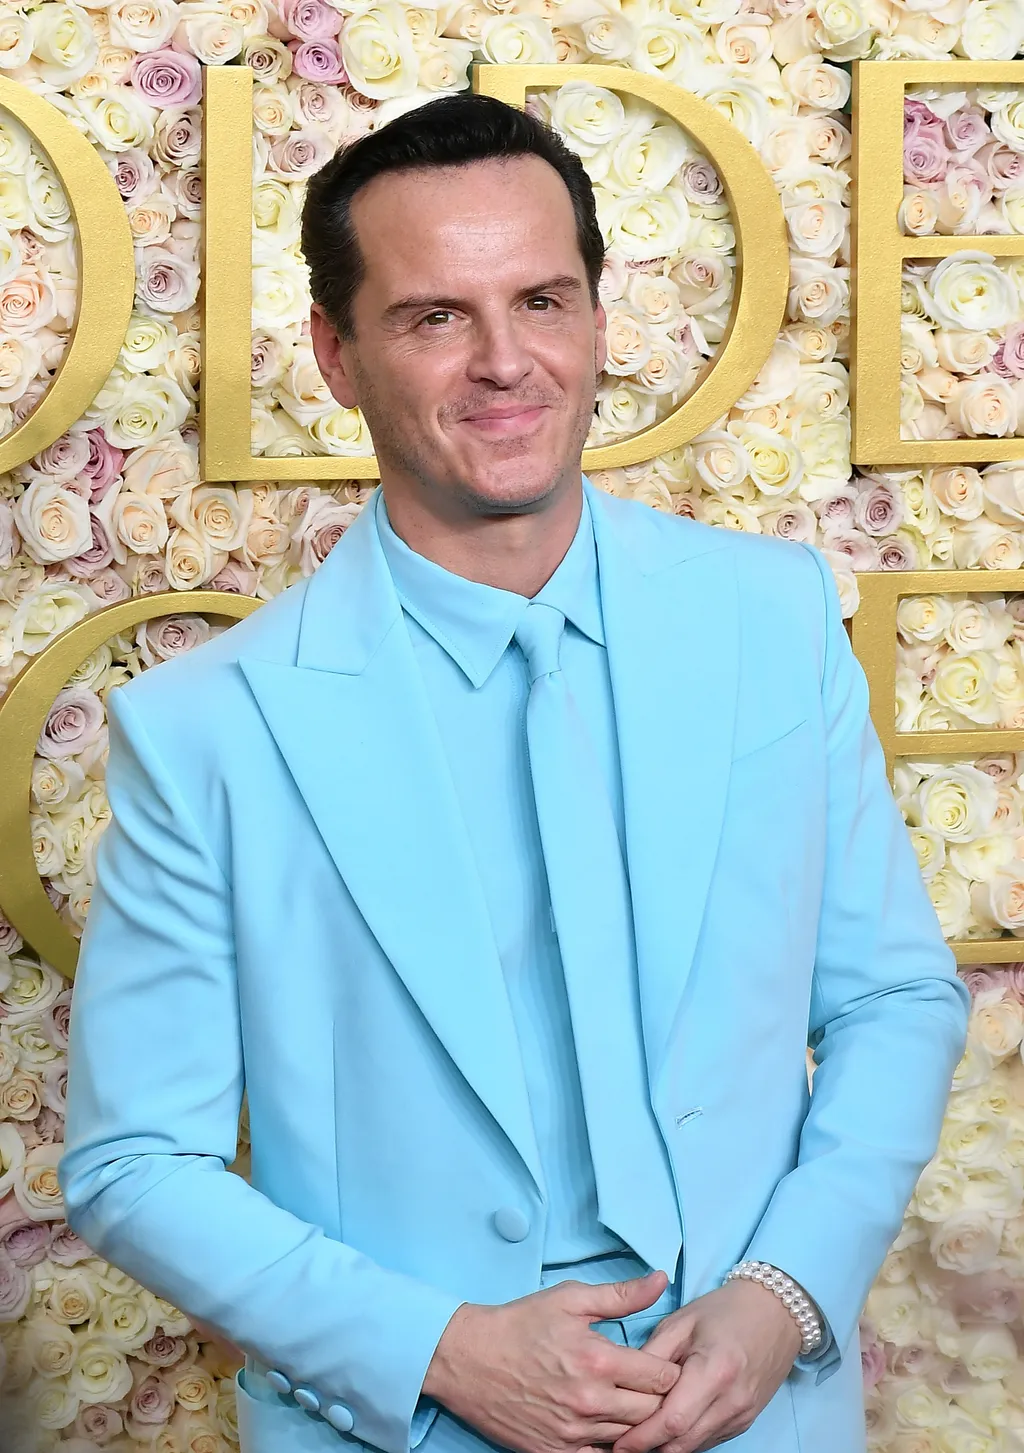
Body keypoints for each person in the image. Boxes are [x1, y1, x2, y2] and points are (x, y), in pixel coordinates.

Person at [59, 92, 969, 1453]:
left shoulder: (772, 622)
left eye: (543, 300)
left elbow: (895, 994)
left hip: (761, 1419)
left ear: (600, 317)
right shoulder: (210, 728)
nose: (506, 362)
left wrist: (785, 1296)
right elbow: (134, 1163)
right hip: (399, 1429)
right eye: (436, 317)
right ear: (335, 354)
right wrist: (438, 1352)